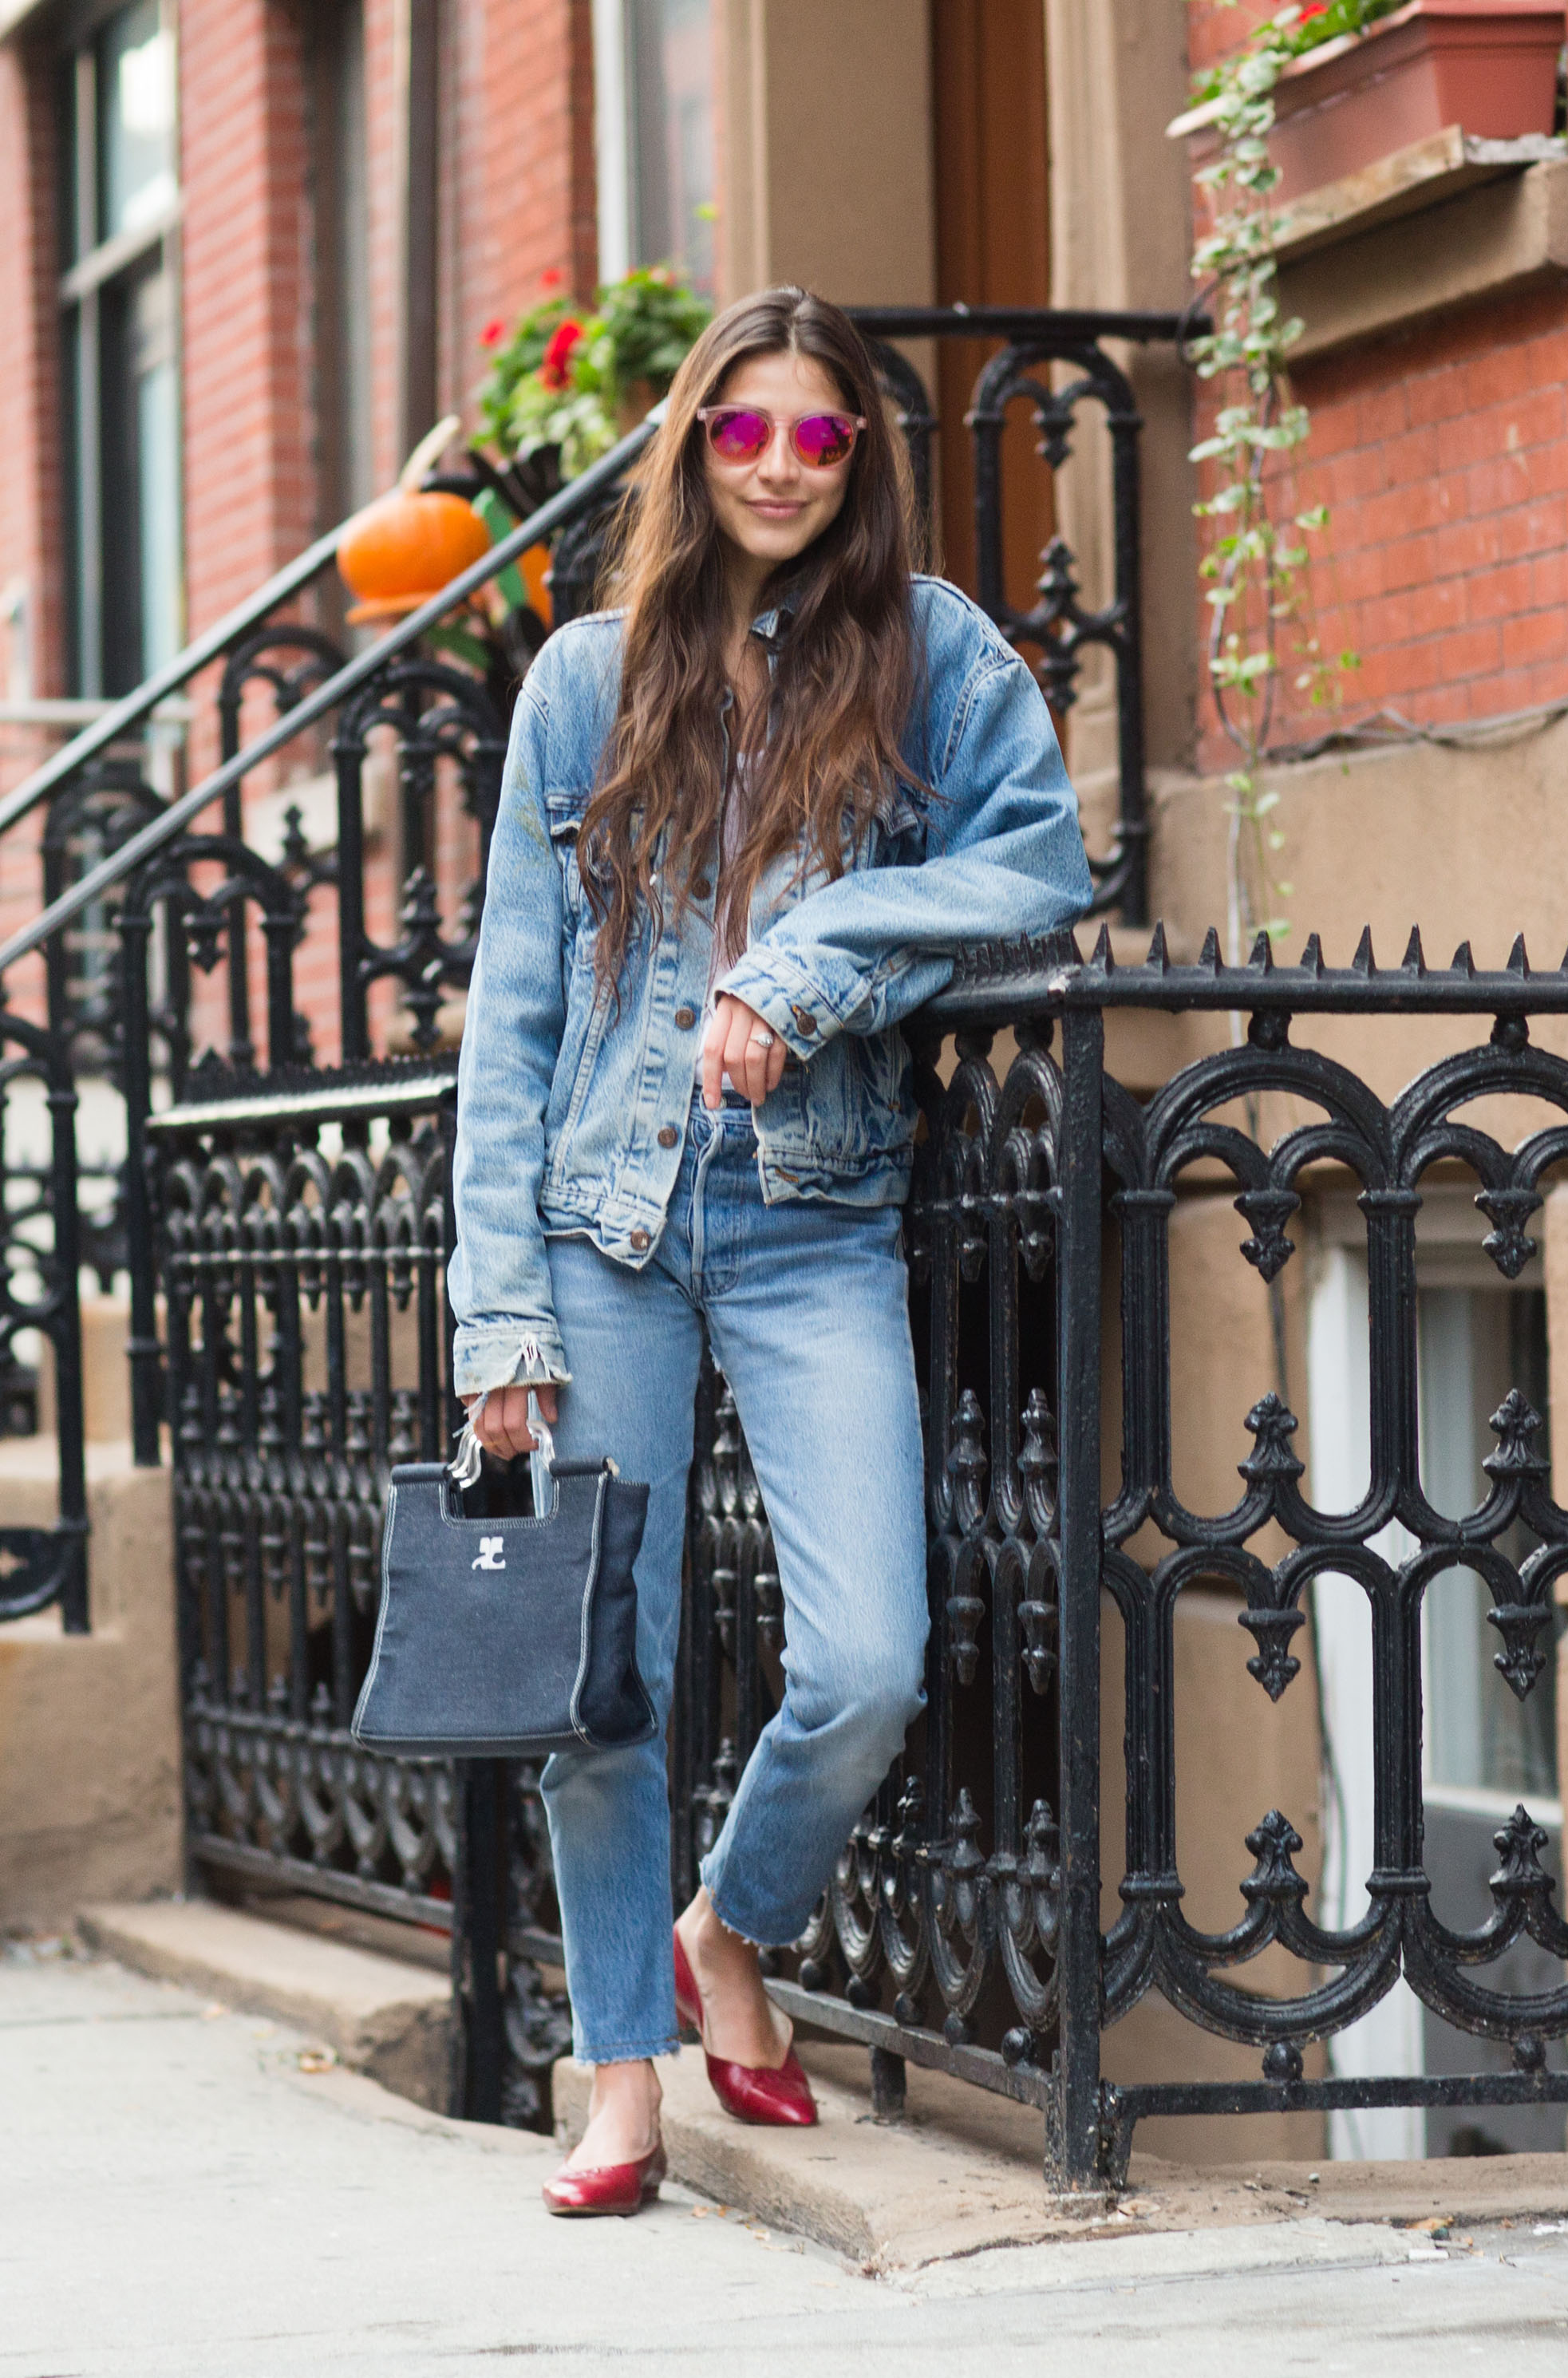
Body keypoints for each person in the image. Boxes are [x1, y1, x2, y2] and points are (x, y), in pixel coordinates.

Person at [451, 286, 1092, 2218]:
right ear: (693, 447)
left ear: (860, 462)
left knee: (872, 1657)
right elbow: (510, 1017)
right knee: (604, 1676)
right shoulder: (582, 680)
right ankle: (620, 2079)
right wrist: (498, 1304)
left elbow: (1036, 859)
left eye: (822, 438)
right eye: (748, 433)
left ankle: (732, 1920)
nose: (785, 469)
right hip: (604, 1226)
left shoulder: (930, 657)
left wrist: (811, 965)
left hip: (812, 1218)